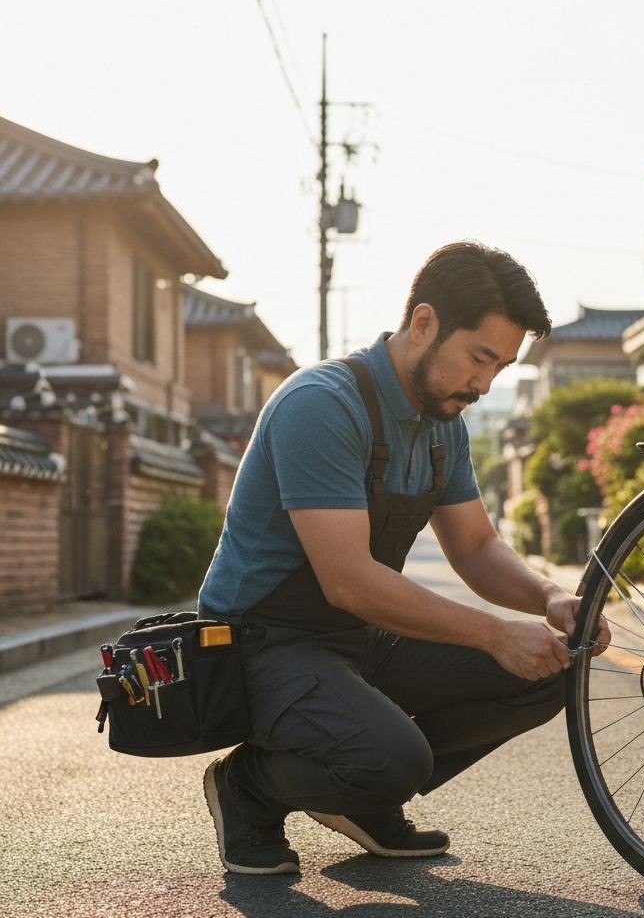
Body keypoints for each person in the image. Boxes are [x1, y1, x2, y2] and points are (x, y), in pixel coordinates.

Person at [198, 240, 610, 875]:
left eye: (500, 368)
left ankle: (364, 794)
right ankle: (247, 786)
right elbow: (348, 580)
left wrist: (549, 599)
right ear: (424, 324)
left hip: (360, 639)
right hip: (264, 644)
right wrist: (496, 633)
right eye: (479, 358)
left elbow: (474, 546)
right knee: (395, 756)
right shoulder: (322, 405)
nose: (484, 384)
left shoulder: (444, 422)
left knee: (549, 670)